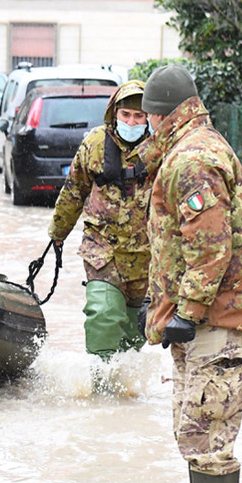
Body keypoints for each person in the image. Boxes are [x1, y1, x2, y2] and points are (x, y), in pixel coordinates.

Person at [140, 64, 242, 483]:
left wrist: (186, 313)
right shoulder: (190, 148)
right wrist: (159, 307)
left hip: (219, 321)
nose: (145, 125)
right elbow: (181, 246)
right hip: (214, 318)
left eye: (148, 116)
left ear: (161, 116)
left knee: (209, 437)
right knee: (197, 432)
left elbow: (211, 247)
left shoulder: (191, 159)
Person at [47, 80, 152, 361]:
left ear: (148, 118)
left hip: (146, 256)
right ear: (114, 114)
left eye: (138, 116)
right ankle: (99, 385)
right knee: (103, 315)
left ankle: (123, 394)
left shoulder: (160, 150)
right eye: (125, 115)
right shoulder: (94, 143)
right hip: (102, 249)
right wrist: (58, 232)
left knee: (135, 331)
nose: (131, 121)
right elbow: (74, 190)